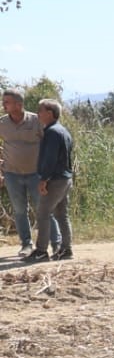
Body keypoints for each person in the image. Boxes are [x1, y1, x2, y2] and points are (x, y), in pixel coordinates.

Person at [0, 87, 44, 258]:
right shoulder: (2, 123)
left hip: (36, 175)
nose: (3, 105)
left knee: (44, 209)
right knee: (19, 210)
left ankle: (54, 244)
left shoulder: (36, 121)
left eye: (7, 102)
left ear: (18, 104)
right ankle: (26, 244)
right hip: (12, 175)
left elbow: (49, 143)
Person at [32, 98, 73, 261]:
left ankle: (41, 251)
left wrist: (44, 179)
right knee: (62, 215)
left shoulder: (52, 132)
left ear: (50, 113)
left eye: (40, 110)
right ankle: (66, 250)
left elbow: (50, 159)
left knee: (43, 214)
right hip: (65, 178)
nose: (38, 114)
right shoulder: (63, 131)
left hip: (54, 179)